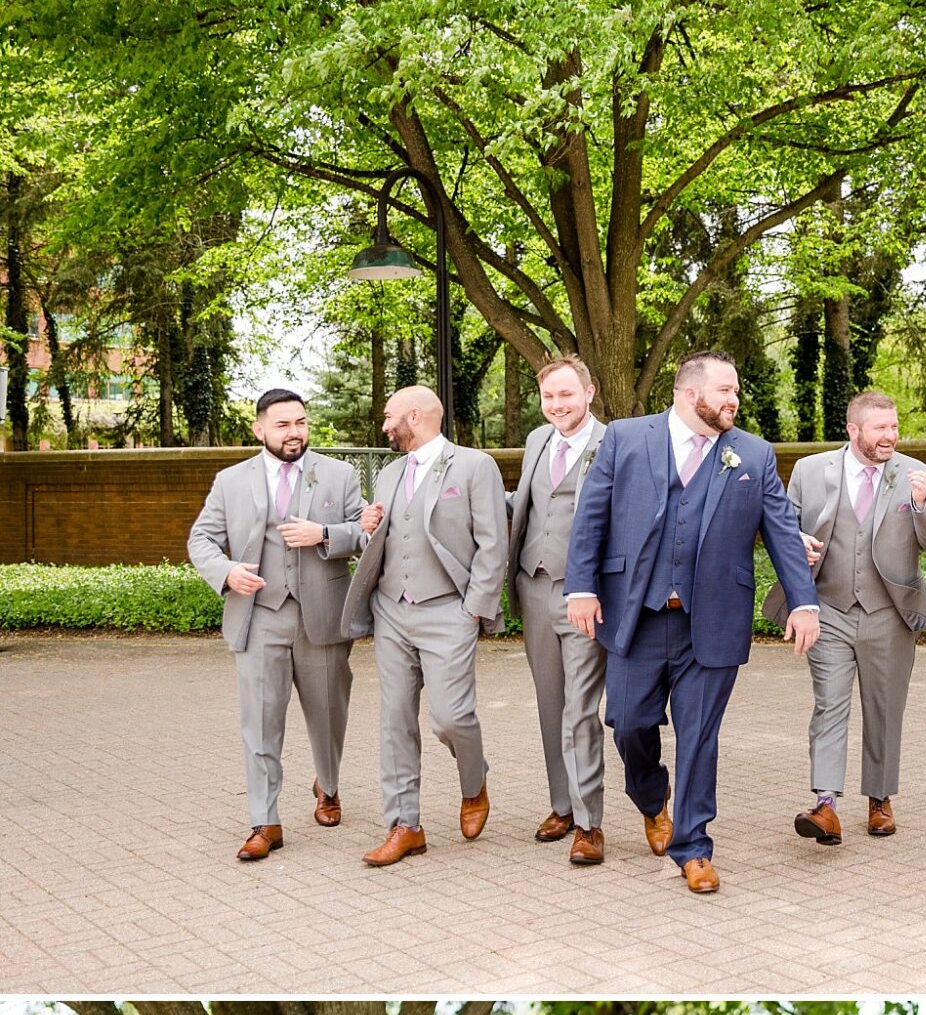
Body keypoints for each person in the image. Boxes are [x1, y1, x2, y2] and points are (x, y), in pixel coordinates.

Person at [564, 351, 820, 894]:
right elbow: (592, 516)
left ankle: (694, 846)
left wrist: (803, 601)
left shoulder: (753, 452)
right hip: (638, 613)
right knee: (628, 723)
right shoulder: (628, 439)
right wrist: (581, 587)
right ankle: (652, 798)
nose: (734, 400)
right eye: (724, 390)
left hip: (714, 618)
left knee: (700, 736)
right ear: (688, 394)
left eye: (736, 391)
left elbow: (780, 528)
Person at [187, 388, 363, 861]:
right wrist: (225, 571)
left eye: (301, 423)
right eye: (283, 425)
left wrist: (324, 533)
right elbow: (201, 538)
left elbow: (365, 533)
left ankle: (328, 785)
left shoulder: (339, 474)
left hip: (321, 617)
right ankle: (265, 821)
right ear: (259, 428)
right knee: (260, 724)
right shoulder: (230, 481)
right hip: (259, 616)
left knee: (329, 715)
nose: (294, 433)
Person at [341, 385, 508, 867]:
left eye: (390, 416)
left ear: (415, 415)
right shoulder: (389, 473)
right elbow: (390, 538)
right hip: (392, 609)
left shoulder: (475, 466)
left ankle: (474, 782)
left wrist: (473, 609)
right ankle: (405, 826)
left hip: (448, 610)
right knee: (394, 721)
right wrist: (370, 526)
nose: (385, 425)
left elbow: (492, 542)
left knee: (451, 717)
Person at [763, 391, 926, 843]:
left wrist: (922, 504)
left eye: (895, 427)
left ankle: (880, 799)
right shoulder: (809, 470)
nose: (891, 436)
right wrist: (795, 541)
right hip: (829, 610)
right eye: (881, 428)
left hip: (890, 614)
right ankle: (825, 803)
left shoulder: (915, 476)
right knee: (829, 705)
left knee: (884, 710)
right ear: (854, 430)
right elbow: (784, 530)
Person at [507, 355, 609, 864]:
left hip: (584, 596)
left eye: (566, 395)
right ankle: (561, 804)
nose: (557, 405)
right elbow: (526, 505)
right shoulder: (535, 442)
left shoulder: (613, 443)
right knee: (550, 706)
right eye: (549, 396)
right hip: (533, 585)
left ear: (589, 394)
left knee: (581, 710)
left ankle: (590, 824)